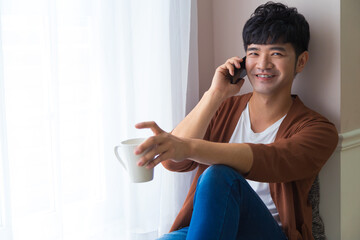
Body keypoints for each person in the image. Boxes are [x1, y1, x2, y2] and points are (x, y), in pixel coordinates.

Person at [134, 2, 338, 240]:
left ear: (301, 62)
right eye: (253, 53)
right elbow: (175, 163)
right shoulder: (225, 109)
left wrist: (188, 147)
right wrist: (214, 95)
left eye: (276, 53)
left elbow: (270, 159)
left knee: (218, 175)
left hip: (268, 233)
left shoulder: (318, 130)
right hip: (211, 224)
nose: (262, 64)